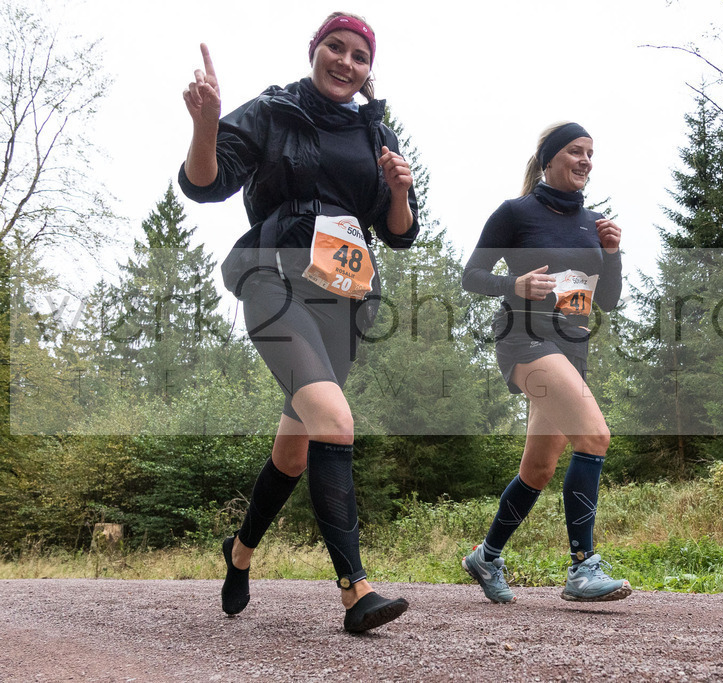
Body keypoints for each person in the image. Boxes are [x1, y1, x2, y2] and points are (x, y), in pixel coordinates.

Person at [178, 12, 418, 632]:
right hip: (274, 279)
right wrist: (206, 128)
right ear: (314, 51)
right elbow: (205, 184)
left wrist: (398, 191)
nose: (345, 61)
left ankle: (239, 551)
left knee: (294, 452)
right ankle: (355, 590)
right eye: (334, 48)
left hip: (341, 295)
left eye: (359, 56)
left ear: (370, 70)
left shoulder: (375, 131)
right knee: (336, 422)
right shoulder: (274, 110)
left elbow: (397, 235)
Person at [460, 122, 630, 603]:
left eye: (591, 154)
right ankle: (582, 567)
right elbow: (471, 276)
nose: (585, 161)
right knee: (595, 436)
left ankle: (486, 555)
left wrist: (612, 254)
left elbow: (610, 300)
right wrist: (512, 286)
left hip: (572, 349)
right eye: (576, 151)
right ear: (550, 158)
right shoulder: (515, 213)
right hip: (524, 342)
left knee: (538, 469)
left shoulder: (594, 222)